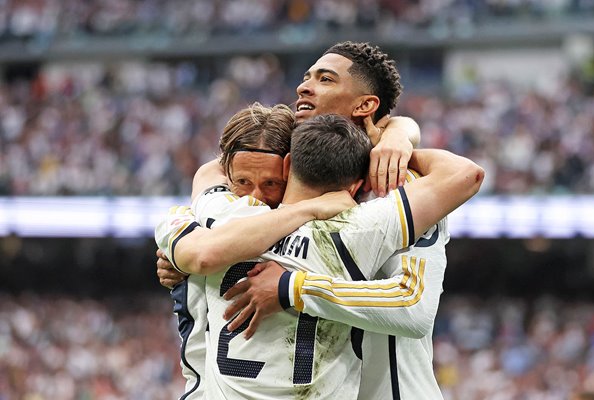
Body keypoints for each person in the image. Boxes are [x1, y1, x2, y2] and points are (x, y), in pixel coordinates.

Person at [156, 41, 453, 399]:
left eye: (325, 79)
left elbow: (412, 308)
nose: (303, 87)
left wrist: (294, 288)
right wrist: (188, 259)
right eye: (306, 76)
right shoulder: (279, 188)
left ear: (365, 105)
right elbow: (214, 178)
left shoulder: (403, 189)